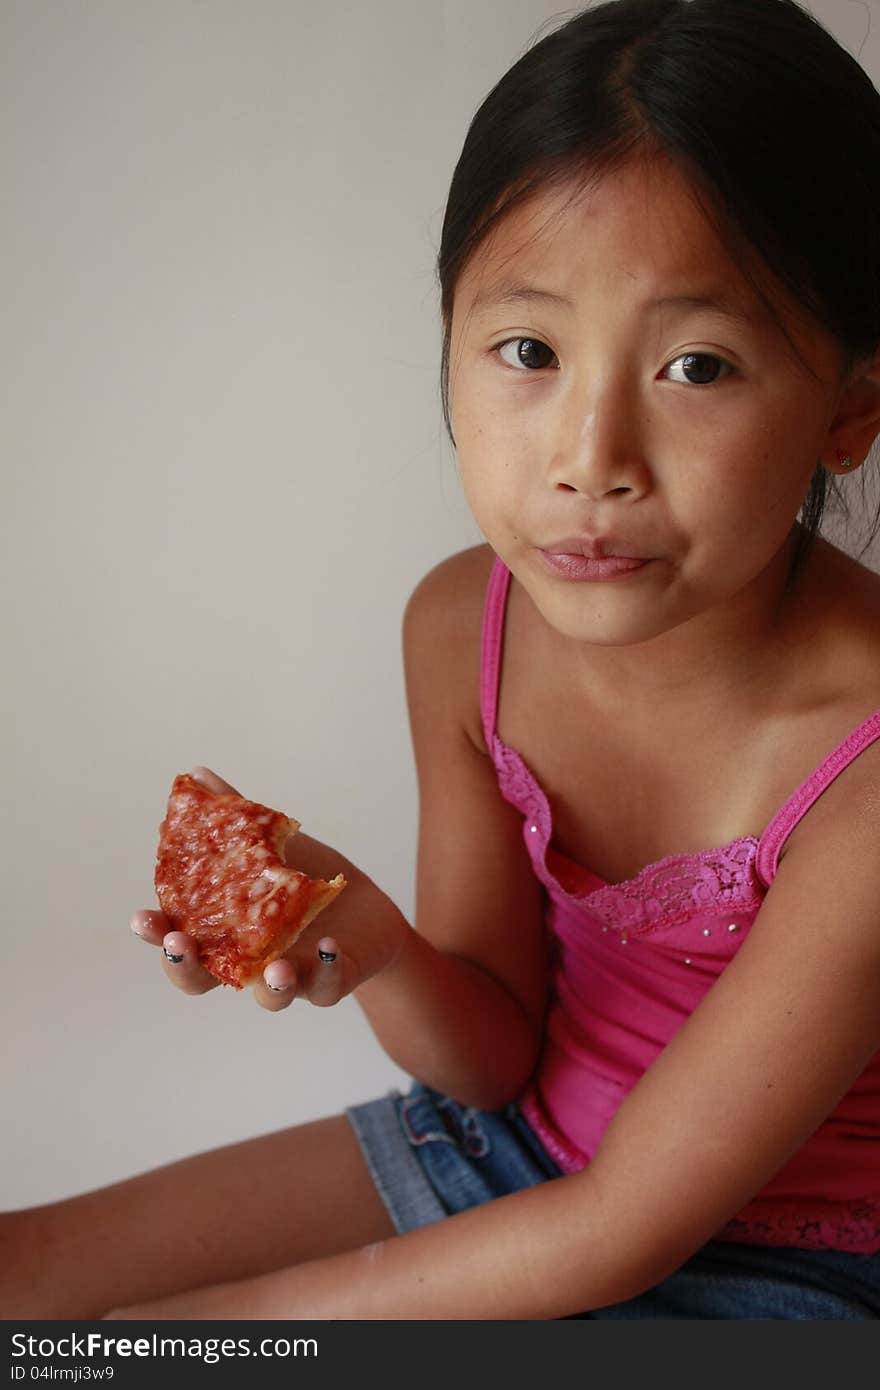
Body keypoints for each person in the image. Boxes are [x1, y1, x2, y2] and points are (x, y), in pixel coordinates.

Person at [6, 0, 880, 1320]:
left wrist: (216, 1339)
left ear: (851, 406)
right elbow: (492, 1059)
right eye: (527, 349)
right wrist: (363, 933)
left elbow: (615, 1233)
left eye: (697, 365)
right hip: (511, 1154)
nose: (593, 455)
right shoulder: (460, 626)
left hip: (791, 1267)